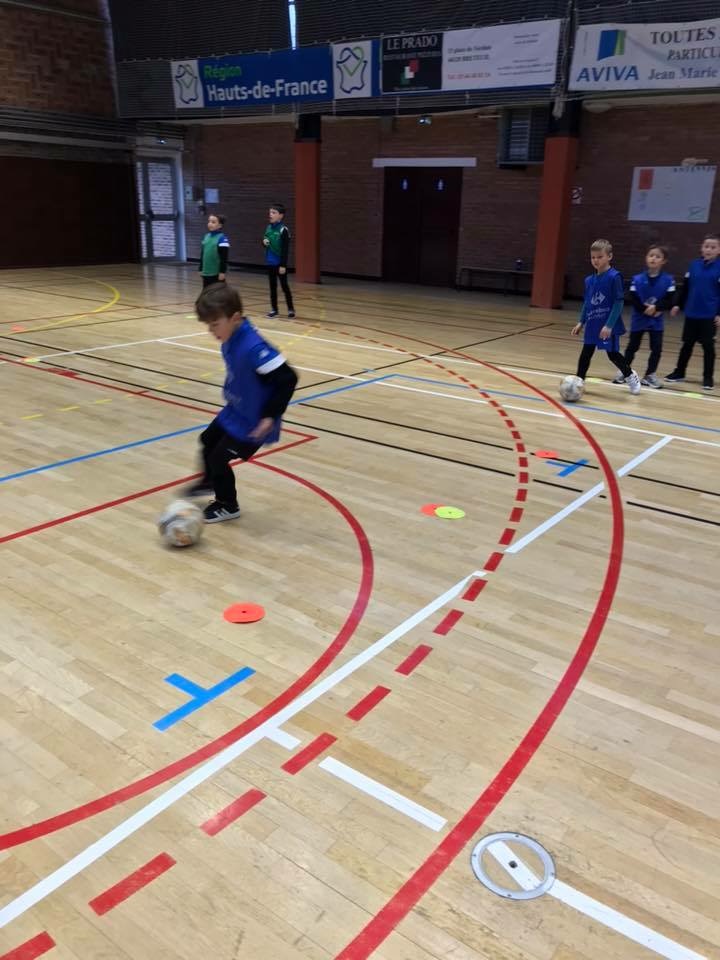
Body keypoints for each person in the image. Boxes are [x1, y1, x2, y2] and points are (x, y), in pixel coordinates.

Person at [186, 283, 298, 522]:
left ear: (235, 318)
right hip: (235, 410)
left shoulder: (253, 347)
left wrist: (269, 416)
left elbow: (288, 379)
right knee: (207, 440)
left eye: (215, 324)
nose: (211, 330)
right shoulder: (230, 337)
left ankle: (228, 504)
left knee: (218, 458)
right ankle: (210, 481)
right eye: (208, 325)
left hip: (254, 421)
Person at [571, 239, 640, 394]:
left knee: (612, 354)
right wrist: (581, 322)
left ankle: (630, 375)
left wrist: (609, 325)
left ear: (609, 256)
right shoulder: (589, 280)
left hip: (608, 324)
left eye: (600, 257)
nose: (596, 260)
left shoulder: (614, 277)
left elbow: (618, 302)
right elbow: (587, 303)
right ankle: (579, 381)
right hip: (592, 324)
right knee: (586, 353)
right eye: (593, 257)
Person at [612, 245, 675, 389]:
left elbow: (669, 299)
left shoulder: (669, 280)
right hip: (639, 318)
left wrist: (657, 308)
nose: (653, 258)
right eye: (651, 255)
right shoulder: (637, 279)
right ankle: (625, 372)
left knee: (656, 348)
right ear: (646, 258)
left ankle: (650, 375)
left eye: (658, 256)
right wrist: (646, 309)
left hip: (656, 321)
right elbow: (633, 298)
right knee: (632, 347)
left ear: (664, 261)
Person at [664, 233, 720, 391]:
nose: (709, 249)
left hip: (709, 316)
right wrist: (678, 305)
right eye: (706, 246)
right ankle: (679, 372)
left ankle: (707, 377)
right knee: (686, 345)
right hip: (691, 314)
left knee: (708, 347)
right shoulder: (693, 265)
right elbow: (686, 288)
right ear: (702, 248)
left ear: (718, 250)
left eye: (713, 247)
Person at [263, 203, 295, 318]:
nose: (270, 214)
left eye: (273, 213)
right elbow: (265, 239)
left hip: (280, 263)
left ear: (280, 215)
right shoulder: (268, 228)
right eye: (270, 212)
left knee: (284, 286)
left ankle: (290, 309)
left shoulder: (283, 230)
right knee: (272, 287)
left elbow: (285, 249)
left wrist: (283, 265)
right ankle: (274, 309)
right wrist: (264, 242)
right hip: (270, 262)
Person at [199, 213, 230, 287]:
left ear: (220, 225)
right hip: (206, 272)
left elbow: (224, 258)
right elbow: (202, 254)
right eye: (209, 221)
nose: (210, 224)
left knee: (218, 292)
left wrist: (222, 272)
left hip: (216, 273)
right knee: (207, 292)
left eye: (213, 222)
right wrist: (200, 268)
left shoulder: (222, 239)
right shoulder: (206, 237)